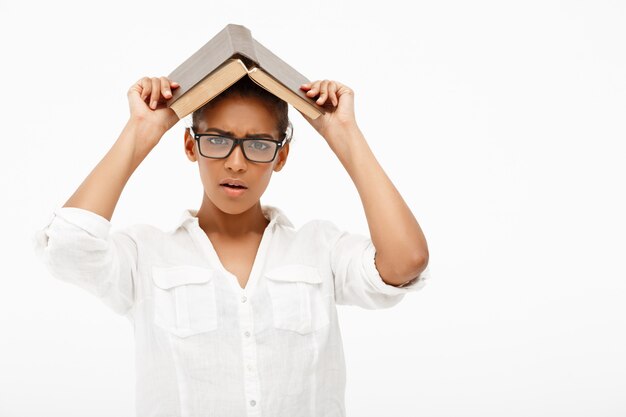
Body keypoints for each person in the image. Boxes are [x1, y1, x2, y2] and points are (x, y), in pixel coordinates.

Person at [32, 73, 431, 416]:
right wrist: (141, 131)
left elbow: (406, 261)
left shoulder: (319, 248)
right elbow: (68, 247)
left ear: (281, 155)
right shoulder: (145, 254)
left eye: (258, 144)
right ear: (191, 146)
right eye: (218, 140)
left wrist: (343, 134)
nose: (236, 163)